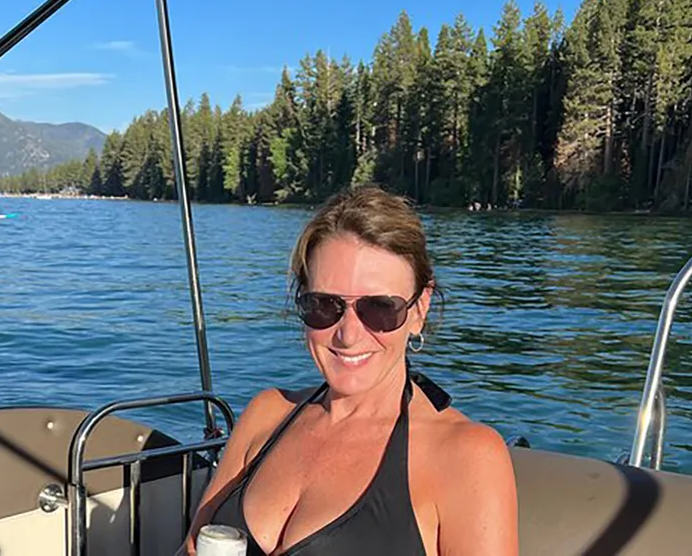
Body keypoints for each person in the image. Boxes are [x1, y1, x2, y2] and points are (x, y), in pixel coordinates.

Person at [180, 185, 518, 555]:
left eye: (379, 308)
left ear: (418, 310)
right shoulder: (265, 414)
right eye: (324, 305)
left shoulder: (466, 457)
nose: (348, 334)